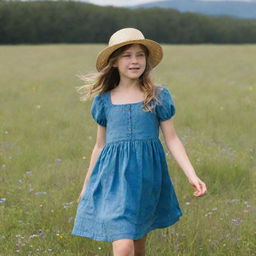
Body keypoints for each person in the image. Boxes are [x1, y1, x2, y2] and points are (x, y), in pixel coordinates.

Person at [71, 27, 207, 256]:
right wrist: (87, 185)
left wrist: (192, 175)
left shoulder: (158, 95)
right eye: (127, 55)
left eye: (140, 55)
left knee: (138, 244)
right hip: (113, 180)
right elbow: (100, 145)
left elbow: (172, 139)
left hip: (146, 178)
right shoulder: (104, 100)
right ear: (114, 62)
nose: (134, 61)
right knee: (123, 246)